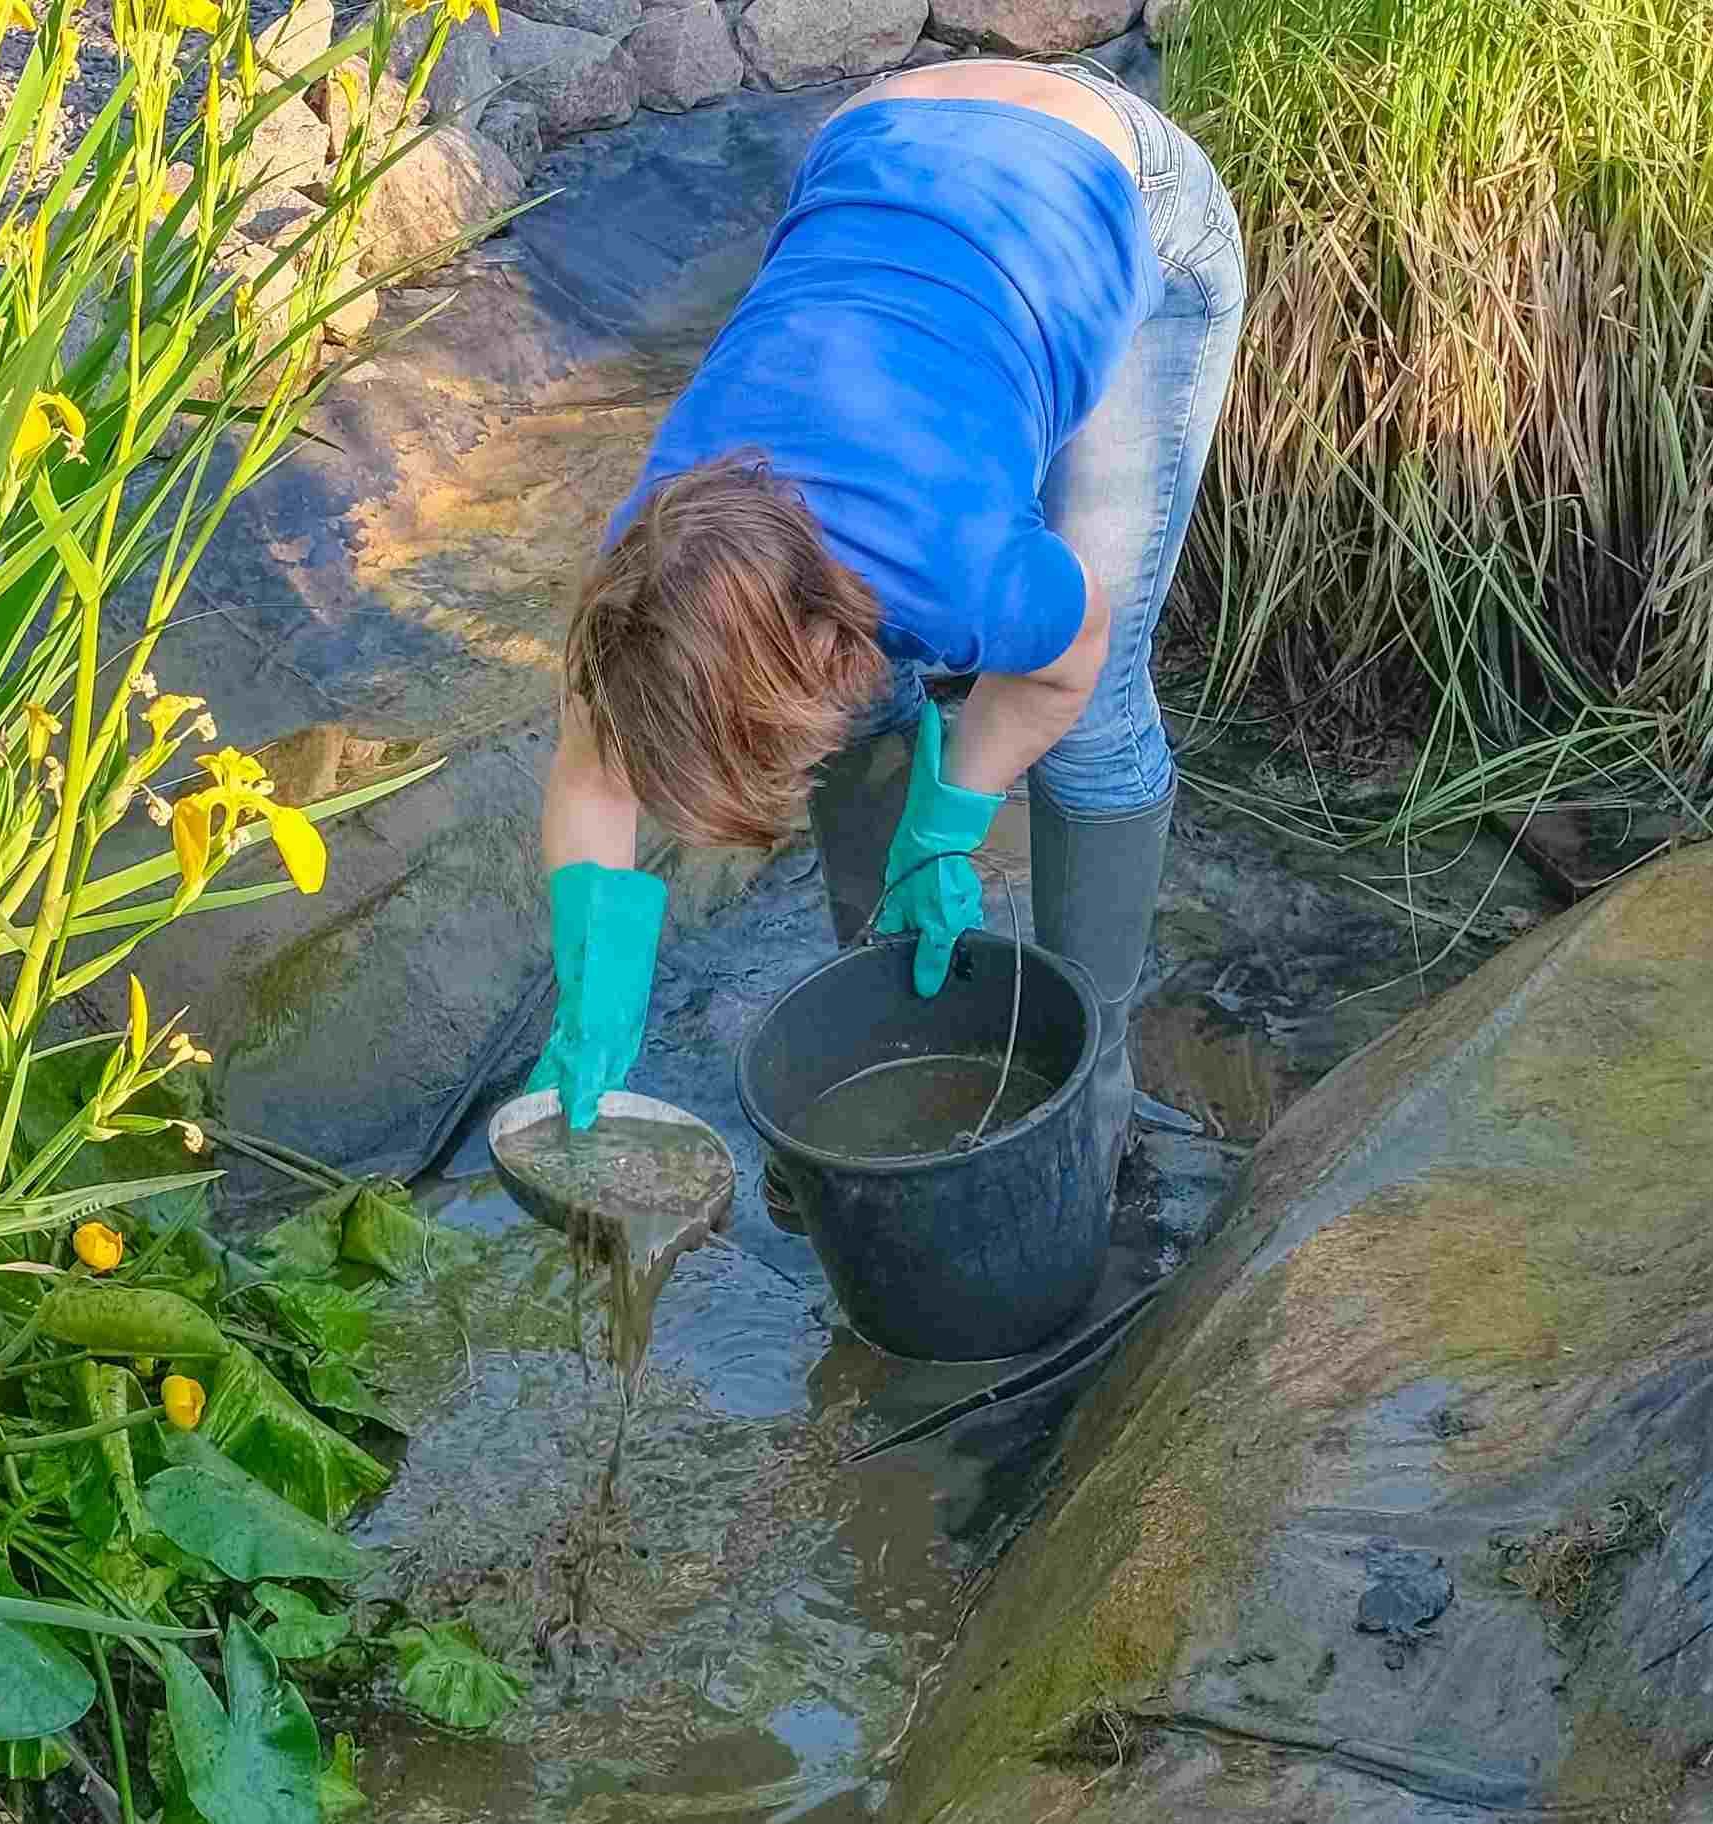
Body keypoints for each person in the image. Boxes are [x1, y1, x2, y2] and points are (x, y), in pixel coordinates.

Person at [528, 51, 1249, 1138]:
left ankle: (1090, 1091)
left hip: (1113, 185)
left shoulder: (962, 572)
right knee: (847, 697)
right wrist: (593, 998)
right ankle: (884, 995)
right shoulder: (646, 566)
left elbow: (1062, 670)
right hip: (880, 141)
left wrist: (944, 826)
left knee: (1095, 722)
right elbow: (593, 765)